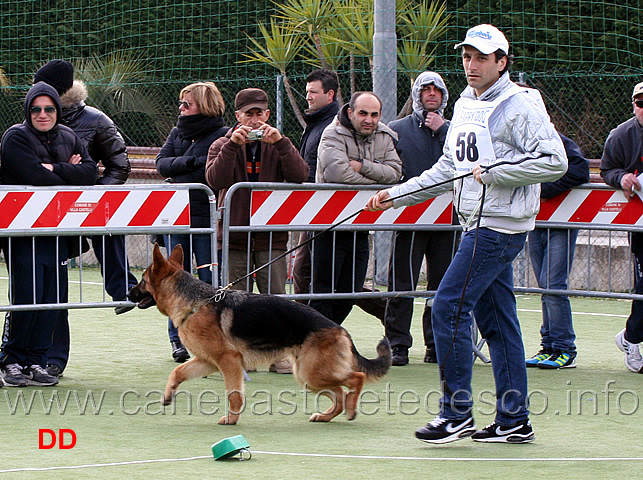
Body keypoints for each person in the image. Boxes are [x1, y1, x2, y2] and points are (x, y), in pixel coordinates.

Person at [366, 24, 567, 444]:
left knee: (447, 307)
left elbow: (554, 162)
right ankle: (515, 421)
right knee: (498, 324)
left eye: (481, 57)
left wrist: (497, 174)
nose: (471, 65)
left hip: (498, 227)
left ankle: (455, 414)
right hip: (477, 222)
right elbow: (449, 169)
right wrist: (397, 195)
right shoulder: (465, 103)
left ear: (501, 62)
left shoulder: (520, 104)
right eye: (466, 57)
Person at [32, 59, 138, 378]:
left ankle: (122, 288)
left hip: (84, 205)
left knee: (109, 230)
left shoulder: (96, 121)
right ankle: (52, 358)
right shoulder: (33, 123)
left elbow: (120, 165)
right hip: (44, 214)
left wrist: (94, 196)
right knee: (53, 289)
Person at [0, 82, 97, 387]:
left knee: (53, 299)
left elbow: (90, 173)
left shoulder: (69, 136)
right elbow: (33, 176)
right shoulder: (15, 136)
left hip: (58, 233)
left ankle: (37, 361)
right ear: (28, 111)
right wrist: (66, 170)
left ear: (57, 109)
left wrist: (54, 167)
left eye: (49, 109)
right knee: (27, 297)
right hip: (23, 233)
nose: (43, 114)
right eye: (36, 109)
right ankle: (12, 360)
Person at [205, 88, 308, 373]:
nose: (253, 120)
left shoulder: (278, 142)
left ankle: (278, 354)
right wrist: (232, 145)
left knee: (275, 298)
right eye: (248, 114)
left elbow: (300, 175)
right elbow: (215, 178)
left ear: (267, 115)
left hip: (271, 235)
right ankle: (240, 356)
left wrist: (281, 143)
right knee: (235, 301)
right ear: (237, 117)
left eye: (258, 113)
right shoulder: (221, 144)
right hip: (234, 235)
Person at [311, 91, 402, 325]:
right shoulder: (331, 134)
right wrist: (377, 183)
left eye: (374, 114)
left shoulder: (385, 135)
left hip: (361, 227)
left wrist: (362, 166)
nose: (368, 120)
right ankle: (319, 344)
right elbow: (337, 173)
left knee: (350, 291)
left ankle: (329, 339)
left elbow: (395, 175)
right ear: (350, 112)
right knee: (323, 291)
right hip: (328, 225)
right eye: (363, 113)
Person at [385, 71, 456, 366]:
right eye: (425, 89)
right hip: (409, 219)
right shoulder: (397, 129)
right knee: (401, 283)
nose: (431, 94)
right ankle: (397, 344)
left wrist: (444, 130)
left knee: (441, 285)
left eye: (436, 90)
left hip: (450, 220)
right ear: (416, 94)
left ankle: (436, 344)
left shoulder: (457, 129)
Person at [156, 82, 229, 363]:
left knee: (209, 282)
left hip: (206, 218)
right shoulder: (177, 132)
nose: (181, 109)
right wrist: (189, 163)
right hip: (176, 216)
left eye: (187, 104)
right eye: (181, 104)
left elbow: (207, 173)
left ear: (205, 105)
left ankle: (212, 339)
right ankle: (178, 341)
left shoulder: (223, 134)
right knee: (173, 280)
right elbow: (162, 164)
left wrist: (182, 166)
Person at [526, 132, 589, 369]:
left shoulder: (554, 138)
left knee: (554, 285)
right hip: (535, 220)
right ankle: (549, 345)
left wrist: (545, 189)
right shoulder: (518, 140)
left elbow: (580, 170)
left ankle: (565, 348)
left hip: (561, 220)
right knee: (545, 285)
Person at [599, 80, 643, 374]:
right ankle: (633, 338)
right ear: (633, 105)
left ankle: (630, 336)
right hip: (640, 224)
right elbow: (606, 169)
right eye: (641, 104)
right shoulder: (622, 134)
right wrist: (622, 178)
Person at [292, 69, 340, 297]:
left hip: (325, 205)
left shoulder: (335, 125)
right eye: (307, 92)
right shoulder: (316, 122)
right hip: (312, 205)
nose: (308, 97)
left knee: (310, 271)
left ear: (329, 95)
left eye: (313, 92)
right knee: (308, 271)